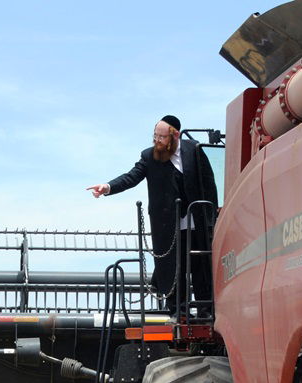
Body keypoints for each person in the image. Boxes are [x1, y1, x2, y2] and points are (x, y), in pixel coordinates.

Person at [86, 115, 218, 313]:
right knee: (174, 267)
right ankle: (176, 310)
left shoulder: (194, 149)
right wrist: (108, 187)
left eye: (162, 137)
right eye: (155, 136)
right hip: (168, 224)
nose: (157, 141)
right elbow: (132, 177)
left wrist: (212, 215)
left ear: (175, 136)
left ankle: (205, 309)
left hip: (195, 220)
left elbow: (209, 182)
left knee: (201, 266)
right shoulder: (150, 156)